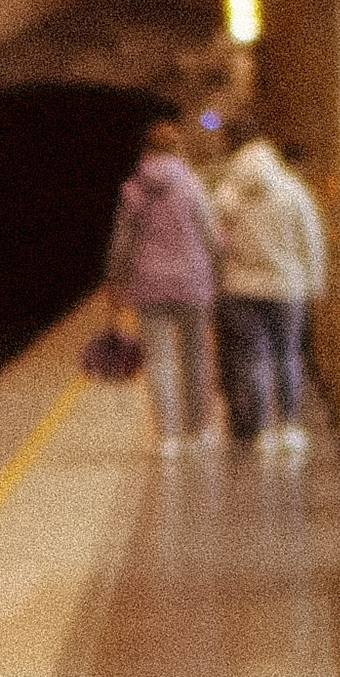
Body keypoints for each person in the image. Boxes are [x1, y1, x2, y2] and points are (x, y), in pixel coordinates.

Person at [103, 108, 219, 451]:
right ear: (178, 148)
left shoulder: (134, 188)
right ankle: (198, 432)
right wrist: (219, 266)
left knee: (159, 359)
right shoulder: (192, 185)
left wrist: (115, 280)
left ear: (146, 151)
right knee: (196, 355)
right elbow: (210, 235)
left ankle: (168, 436)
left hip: (148, 283)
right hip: (192, 281)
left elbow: (122, 241)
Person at [211, 125, 326, 451]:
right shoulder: (294, 191)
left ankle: (259, 428)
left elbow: (215, 240)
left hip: (241, 287)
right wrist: (314, 282)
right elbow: (311, 239)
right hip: (287, 288)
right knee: (288, 354)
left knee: (252, 358)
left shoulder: (229, 194)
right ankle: (288, 426)